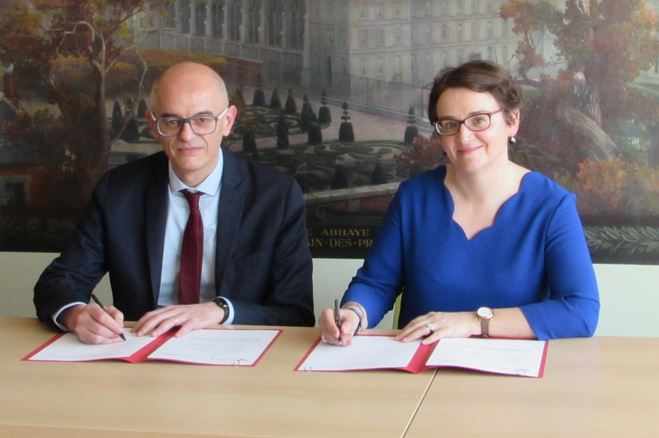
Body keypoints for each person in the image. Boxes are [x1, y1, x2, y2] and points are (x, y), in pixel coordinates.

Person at [320, 60, 599, 345]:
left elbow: (580, 311)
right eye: (450, 124)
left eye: (479, 119)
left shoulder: (551, 206)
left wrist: (472, 322)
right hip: (419, 371)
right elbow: (375, 284)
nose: (463, 137)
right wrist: (353, 314)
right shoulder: (414, 198)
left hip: (513, 376)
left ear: (512, 120)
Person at [34, 62, 314, 344]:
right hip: (141, 352)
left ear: (227, 121)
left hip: (235, 351)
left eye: (203, 119)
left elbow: (296, 313)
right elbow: (59, 281)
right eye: (172, 121)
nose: (186, 135)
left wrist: (221, 311)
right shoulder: (118, 191)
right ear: (153, 125)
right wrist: (75, 314)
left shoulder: (275, 195)